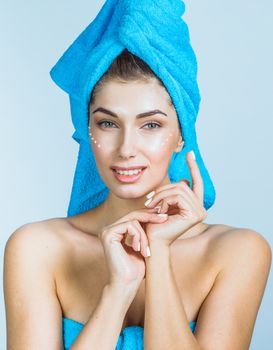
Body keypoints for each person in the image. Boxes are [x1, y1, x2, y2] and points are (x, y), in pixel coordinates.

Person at [4, 3, 272, 350]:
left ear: (181, 136)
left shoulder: (237, 252)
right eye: (108, 123)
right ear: (88, 130)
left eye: (150, 125)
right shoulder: (37, 248)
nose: (126, 148)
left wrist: (157, 255)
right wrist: (118, 291)